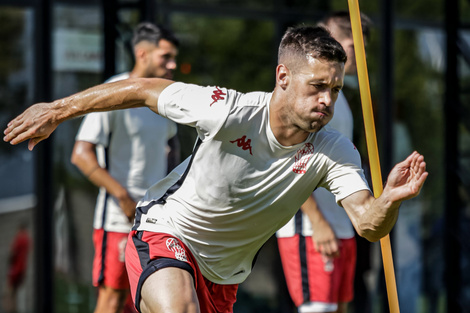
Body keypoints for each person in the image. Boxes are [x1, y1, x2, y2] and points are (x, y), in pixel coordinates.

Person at [3, 26, 428, 313]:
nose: (327, 100)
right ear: (283, 76)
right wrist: (57, 109)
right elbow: (144, 89)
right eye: (316, 86)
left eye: (334, 89)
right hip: (165, 231)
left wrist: (388, 200)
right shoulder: (230, 110)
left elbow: (369, 224)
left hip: (224, 276)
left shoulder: (334, 148)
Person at [70, 22, 180, 313]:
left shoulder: (165, 98)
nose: (173, 64)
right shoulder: (113, 91)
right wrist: (122, 197)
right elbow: (81, 154)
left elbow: (171, 149)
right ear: (142, 53)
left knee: (144, 301)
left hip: (155, 221)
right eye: (165, 56)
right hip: (117, 220)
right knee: (112, 299)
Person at [276, 12, 371, 313]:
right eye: (354, 45)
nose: (361, 54)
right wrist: (317, 222)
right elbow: (289, 160)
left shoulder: (338, 98)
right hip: (312, 227)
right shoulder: (305, 99)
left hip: (342, 225)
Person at [3, 222, 30, 313]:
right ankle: (16, 309)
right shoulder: (27, 239)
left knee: (10, 290)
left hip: (15, 268)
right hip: (22, 269)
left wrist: (9, 261)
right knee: (17, 290)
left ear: (20, 229)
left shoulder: (19, 238)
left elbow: (13, 252)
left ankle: (10, 309)